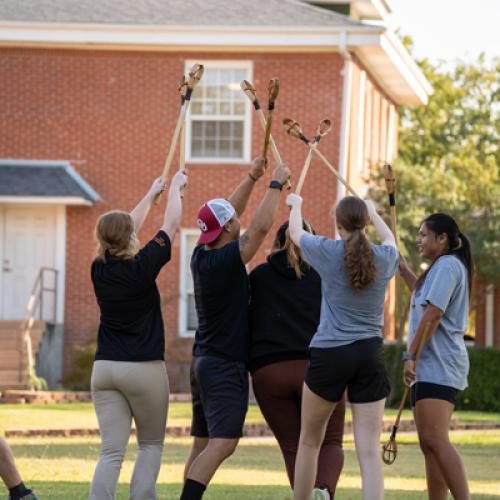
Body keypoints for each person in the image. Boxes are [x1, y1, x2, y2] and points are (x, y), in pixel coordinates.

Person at [180, 157, 291, 500]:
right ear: (229, 229)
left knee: (203, 444)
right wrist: (275, 185)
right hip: (224, 364)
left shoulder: (202, 252)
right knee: (224, 443)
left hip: (203, 362)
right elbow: (257, 230)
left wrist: (251, 177)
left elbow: (229, 212)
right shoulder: (225, 261)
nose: (237, 222)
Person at [286, 194, 398, 500]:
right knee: (370, 450)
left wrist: (296, 204)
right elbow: (391, 238)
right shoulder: (385, 258)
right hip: (369, 354)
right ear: (364, 222)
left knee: (310, 441)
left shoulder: (328, 251)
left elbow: (295, 234)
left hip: (331, 353)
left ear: (338, 223)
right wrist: (374, 213)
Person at [88, 170, 187, 500]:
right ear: (127, 237)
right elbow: (170, 226)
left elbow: (121, 231)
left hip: (104, 370)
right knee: (150, 444)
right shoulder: (142, 267)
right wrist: (174, 188)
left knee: (111, 452)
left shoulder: (98, 268)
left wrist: (150, 194)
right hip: (143, 368)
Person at [249, 220, 346, 500]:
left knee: (294, 447)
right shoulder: (324, 276)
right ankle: (323, 491)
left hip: (269, 372)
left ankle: (304, 494)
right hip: (318, 368)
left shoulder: (259, 276)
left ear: (278, 243)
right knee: (329, 442)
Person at [399, 213, 472, 500]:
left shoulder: (447, 265)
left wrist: (410, 355)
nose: (418, 240)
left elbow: (434, 314)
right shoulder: (438, 268)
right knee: (428, 444)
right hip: (429, 367)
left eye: (423, 234)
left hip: (440, 365)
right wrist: (403, 268)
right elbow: (421, 298)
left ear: (442, 239)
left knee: (436, 440)